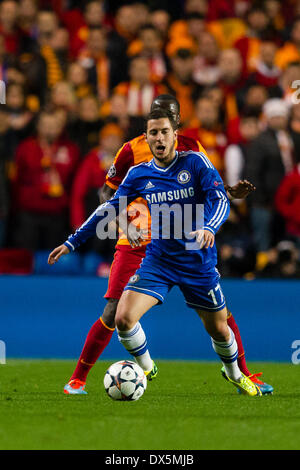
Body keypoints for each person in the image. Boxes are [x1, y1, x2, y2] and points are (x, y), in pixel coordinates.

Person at [48, 94, 273, 396]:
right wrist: (73, 241)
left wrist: (210, 224)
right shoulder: (134, 163)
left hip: (195, 258)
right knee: (121, 315)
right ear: (147, 132)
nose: (159, 136)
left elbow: (215, 194)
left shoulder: (193, 154)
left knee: (220, 326)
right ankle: (139, 367)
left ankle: (237, 374)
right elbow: (108, 203)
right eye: (153, 131)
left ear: (176, 129)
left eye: (165, 129)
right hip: (156, 255)